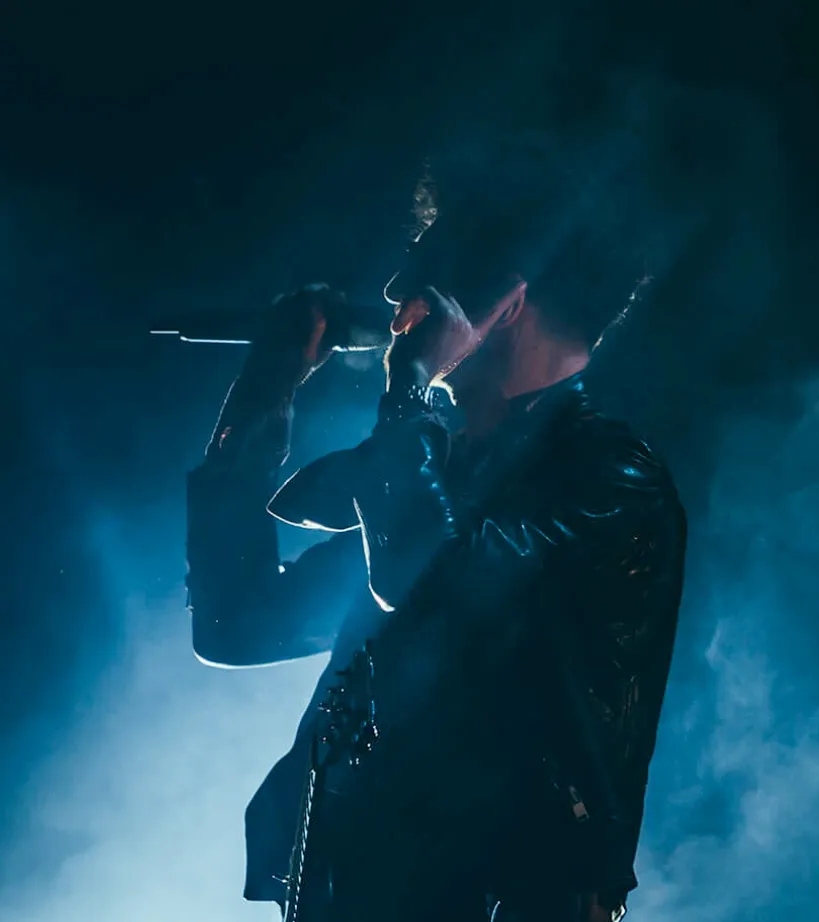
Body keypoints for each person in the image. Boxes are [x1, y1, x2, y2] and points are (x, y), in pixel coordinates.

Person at [185, 136, 687, 921]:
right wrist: (265, 390)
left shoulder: (610, 482)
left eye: (426, 261)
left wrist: (410, 389)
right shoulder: (443, 476)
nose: (392, 289)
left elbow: (435, 583)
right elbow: (235, 622)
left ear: (506, 303)